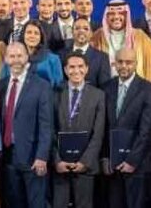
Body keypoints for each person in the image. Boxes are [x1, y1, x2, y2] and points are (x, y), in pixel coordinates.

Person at [0, 42, 53, 208]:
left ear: (27, 57)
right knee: (13, 203)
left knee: (36, 204)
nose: (16, 60)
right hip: (8, 157)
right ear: (6, 59)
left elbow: (46, 125)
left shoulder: (42, 86)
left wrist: (42, 156)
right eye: (12, 56)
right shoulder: (0, 85)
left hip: (33, 158)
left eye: (20, 56)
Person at [101, 47, 151, 208]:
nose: (124, 66)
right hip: (112, 166)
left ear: (136, 63)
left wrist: (132, 161)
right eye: (120, 62)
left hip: (137, 165)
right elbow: (103, 127)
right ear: (114, 63)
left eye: (128, 62)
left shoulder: (148, 89)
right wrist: (105, 157)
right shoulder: (106, 88)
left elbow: (147, 131)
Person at [52, 53, 105, 208]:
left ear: (87, 69)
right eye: (72, 67)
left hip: (85, 167)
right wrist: (57, 161)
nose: (76, 71)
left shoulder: (98, 95)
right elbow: (50, 131)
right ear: (65, 70)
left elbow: (98, 134)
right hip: (61, 167)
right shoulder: (54, 94)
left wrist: (85, 162)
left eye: (80, 66)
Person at [90, 0, 151, 83]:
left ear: (127, 15)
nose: (116, 17)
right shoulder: (97, 37)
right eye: (111, 14)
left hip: (136, 88)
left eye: (121, 13)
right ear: (106, 16)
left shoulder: (141, 38)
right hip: (104, 87)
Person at [0, 20, 64, 89]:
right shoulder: (12, 57)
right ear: (23, 35)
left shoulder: (53, 59)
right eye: (29, 32)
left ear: (41, 37)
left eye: (36, 33)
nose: (32, 36)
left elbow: (59, 87)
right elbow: (3, 83)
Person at [63, 17, 110, 87]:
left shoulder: (102, 58)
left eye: (85, 29)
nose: (81, 31)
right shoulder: (61, 55)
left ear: (91, 33)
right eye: (77, 28)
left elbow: (105, 86)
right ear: (72, 32)